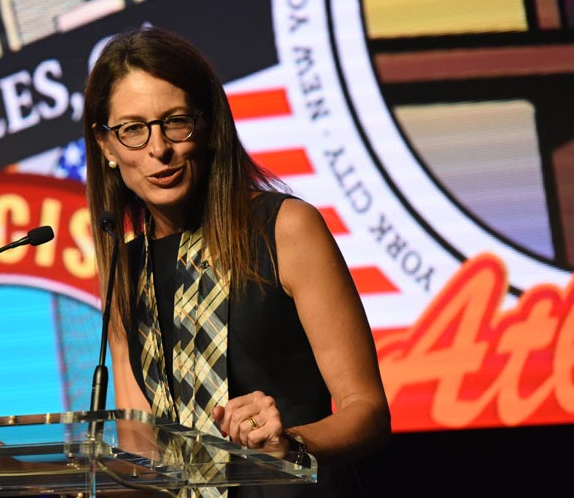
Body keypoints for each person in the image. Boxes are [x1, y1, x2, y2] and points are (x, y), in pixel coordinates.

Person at [81, 25, 391, 497]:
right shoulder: (125, 268)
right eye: (133, 130)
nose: (158, 148)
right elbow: (143, 463)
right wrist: (16, 473)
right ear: (106, 145)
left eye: (175, 121)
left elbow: (366, 409)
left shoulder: (285, 228)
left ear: (208, 125)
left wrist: (289, 445)